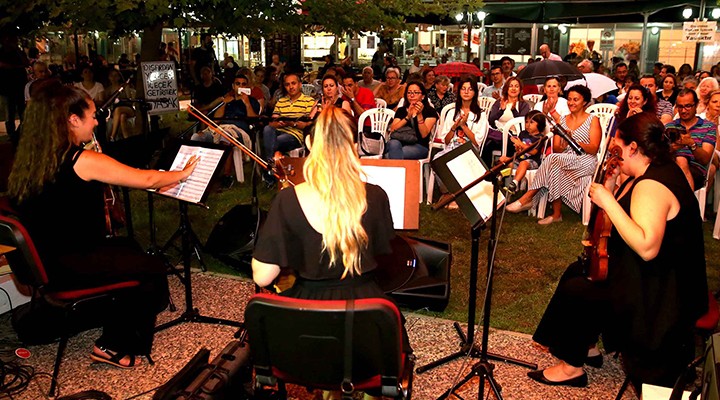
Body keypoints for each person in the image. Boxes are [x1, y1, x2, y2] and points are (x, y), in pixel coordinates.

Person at [8, 80, 199, 368]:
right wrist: (182, 174)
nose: (97, 121)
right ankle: (112, 345)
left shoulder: (32, 158)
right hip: (69, 265)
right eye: (93, 115)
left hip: (46, 260)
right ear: (73, 120)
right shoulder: (81, 159)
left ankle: (112, 312)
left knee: (129, 245)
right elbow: (145, 178)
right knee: (152, 269)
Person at [527, 112, 707, 393]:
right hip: (658, 276)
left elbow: (647, 247)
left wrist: (608, 200)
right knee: (579, 270)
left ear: (634, 148)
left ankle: (571, 366)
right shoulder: (652, 170)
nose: (613, 151)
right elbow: (619, 221)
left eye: (618, 145)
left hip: (661, 295)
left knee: (580, 288)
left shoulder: (652, 185)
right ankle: (584, 347)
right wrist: (611, 188)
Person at [251, 106, 411, 362]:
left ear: (310, 142)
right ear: (354, 145)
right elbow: (384, 258)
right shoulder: (377, 196)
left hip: (309, 316)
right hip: (366, 315)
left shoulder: (287, 200)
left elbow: (262, 276)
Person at [508, 85, 601, 224]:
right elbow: (557, 149)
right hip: (564, 159)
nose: (571, 103)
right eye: (569, 99)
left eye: (576, 99)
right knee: (554, 165)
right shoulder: (562, 120)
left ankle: (529, 197)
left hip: (585, 160)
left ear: (585, 102)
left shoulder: (592, 120)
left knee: (552, 159)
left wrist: (574, 141)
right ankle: (557, 214)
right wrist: (564, 145)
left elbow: (594, 148)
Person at [262, 72, 317, 183]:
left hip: (295, 135)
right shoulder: (281, 101)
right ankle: (272, 163)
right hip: (278, 131)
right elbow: (272, 123)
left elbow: (307, 125)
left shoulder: (309, 101)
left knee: (274, 141)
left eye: (293, 83)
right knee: (267, 130)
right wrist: (279, 123)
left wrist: (291, 123)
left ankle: (269, 168)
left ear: (300, 85)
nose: (291, 87)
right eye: (287, 84)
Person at [666, 89, 717, 191]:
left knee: (681, 159)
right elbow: (659, 153)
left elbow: (705, 159)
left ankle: (686, 203)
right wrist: (672, 148)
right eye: (680, 107)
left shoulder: (708, 127)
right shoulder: (669, 126)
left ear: (696, 105)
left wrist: (691, 144)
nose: (683, 110)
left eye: (688, 106)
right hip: (670, 167)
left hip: (695, 169)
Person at [484, 77, 531, 165]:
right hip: (498, 135)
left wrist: (513, 110)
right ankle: (487, 173)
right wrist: (501, 110)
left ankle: (504, 172)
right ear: (506, 89)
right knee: (487, 145)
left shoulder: (523, 105)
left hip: (515, 136)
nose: (513, 88)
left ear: (520, 89)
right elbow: (491, 120)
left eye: (516, 86)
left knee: (510, 144)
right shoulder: (498, 102)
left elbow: (522, 123)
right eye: (511, 86)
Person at [385, 82, 438, 160]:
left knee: (393, 154)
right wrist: (408, 116)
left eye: (416, 93)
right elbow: (393, 129)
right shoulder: (401, 110)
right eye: (409, 93)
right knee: (393, 143)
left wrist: (419, 115)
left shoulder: (430, 111)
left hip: (419, 145)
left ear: (423, 96)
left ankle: (394, 166)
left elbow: (424, 134)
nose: (412, 95)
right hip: (400, 141)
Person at [436, 75, 489, 152]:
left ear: (475, 92)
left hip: (470, 151)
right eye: (463, 89)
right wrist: (454, 127)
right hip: (451, 150)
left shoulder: (480, 114)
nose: (466, 92)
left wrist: (463, 126)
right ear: (459, 91)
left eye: (470, 89)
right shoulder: (452, 112)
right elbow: (446, 142)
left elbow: (477, 143)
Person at [498, 110, 547, 189]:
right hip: (519, 160)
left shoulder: (540, 137)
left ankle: (514, 183)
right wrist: (517, 147)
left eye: (531, 122)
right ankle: (499, 180)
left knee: (523, 164)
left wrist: (520, 143)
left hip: (532, 162)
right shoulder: (523, 133)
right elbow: (519, 151)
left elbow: (533, 152)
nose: (528, 125)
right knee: (502, 159)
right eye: (526, 122)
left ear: (539, 124)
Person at [104, 69, 136, 141]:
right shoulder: (108, 90)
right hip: (115, 111)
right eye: (111, 76)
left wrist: (120, 100)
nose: (113, 78)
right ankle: (126, 138)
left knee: (118, 110)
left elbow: (129, 100)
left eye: (115, 76)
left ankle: (112, 136)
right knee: (122, 116)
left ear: (119, 77)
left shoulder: (124, 86)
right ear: (109, 77)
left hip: (128, 108)